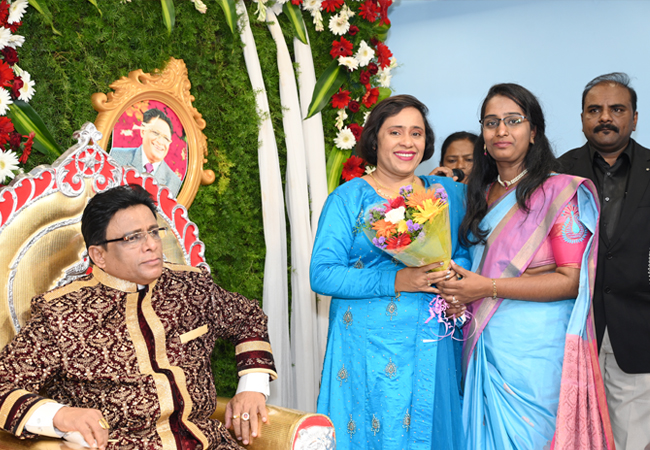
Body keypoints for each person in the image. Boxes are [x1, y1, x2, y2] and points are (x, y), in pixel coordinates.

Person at [0, 184, 276, 450]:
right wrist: (61, 416)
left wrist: (252, 386)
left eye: (153, 232)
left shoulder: (190, 287)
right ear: (99, 255)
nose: (151, 245)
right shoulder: (62, 314)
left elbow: (247, 318)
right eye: (132, 238)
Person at [435, 83, 613, 449]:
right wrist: (458, 294)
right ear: (482, 135)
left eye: (513, 120)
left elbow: (570, 280)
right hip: (483, 343)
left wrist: (487, 288)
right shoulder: (477, 196)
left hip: (535, 357)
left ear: (533, 132)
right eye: (491, 122)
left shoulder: (559, 191)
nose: (501, 130)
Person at [310, 94, 470, 450]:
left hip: (432, 339)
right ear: (375, 139)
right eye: (395, 132)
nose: (407, 142)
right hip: (367, 348)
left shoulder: (445, 196)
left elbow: (465, 254)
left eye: (416, 133)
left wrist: (457, 284)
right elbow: (322, 274)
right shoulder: (348, 199)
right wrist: (397, 280)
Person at [558, 72, 650, 450]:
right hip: (572, 328)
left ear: (634, 118)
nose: (605, 117)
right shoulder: (557, 173)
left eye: (616, 109)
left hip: (639, 329)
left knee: (631, 441)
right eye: (594, 110)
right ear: (581, 118)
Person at [111, 108, 183, 196]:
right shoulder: (115, 157)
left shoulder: (174, 182)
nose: (160, 142)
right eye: (156, 133)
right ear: (143, 131)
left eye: (166, 138)